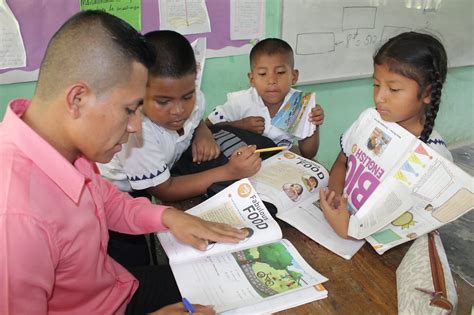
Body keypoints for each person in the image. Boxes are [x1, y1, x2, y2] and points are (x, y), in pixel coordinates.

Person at [0, 11, 248, 315]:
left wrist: (170, 217)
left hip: (114, 290)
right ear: (78, 99)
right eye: (130, 110)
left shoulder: (64, 146)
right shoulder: (15, 218)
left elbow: (110, 204)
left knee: (230, 273)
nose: (136, 127)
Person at [98, 30, 262, 202]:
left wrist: (203, 133)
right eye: (163, 101)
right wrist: (230, 171)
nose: (178, 110)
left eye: (187, 96)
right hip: (118, 194)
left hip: (161, 172)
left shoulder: (195, 98)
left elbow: (197, 118)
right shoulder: (136, 133)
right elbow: (165, 190)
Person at [319, 32, 453, 239]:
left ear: (427, 93)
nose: (380, 97)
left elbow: (410, 225)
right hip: (342, 225)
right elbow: (342, 161)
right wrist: (336, 197)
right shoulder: (369, 120)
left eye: (394, 89)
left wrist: (349, 231)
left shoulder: (434, 156)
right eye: (376, 84)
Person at [206, 38, 325, 159]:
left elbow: (309, 154)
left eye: (280, 72)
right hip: (242, 165)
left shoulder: (300, 104)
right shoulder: (240, 101)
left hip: (280, 164)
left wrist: (314, 124)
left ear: (294, 76)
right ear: (252, 79)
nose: (272, 81)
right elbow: (208, 126)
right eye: (263, 74)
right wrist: (240, 125)